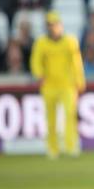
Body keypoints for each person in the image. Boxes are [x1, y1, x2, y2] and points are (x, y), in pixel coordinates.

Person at [30, 12, 85, 159]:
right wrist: (38, 74)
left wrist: (80, 81)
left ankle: (70, 146)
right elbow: (36, 61)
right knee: (51, 119)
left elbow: (76, 63)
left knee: (69, 115)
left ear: (60, 25)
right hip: (49, 85)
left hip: (67, 85)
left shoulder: (70, 41)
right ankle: (52, 149)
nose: (52, 28)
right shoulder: (41, 43)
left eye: (54, 24)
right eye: (50, 25)